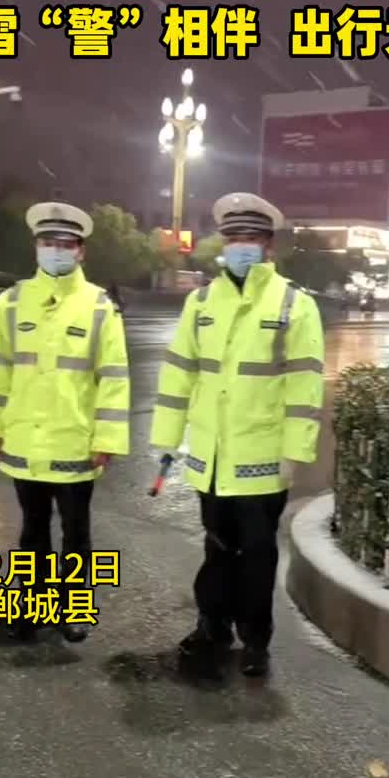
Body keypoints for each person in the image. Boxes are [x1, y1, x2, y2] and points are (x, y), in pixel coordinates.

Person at [150, 192, 325, 677]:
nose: (240, 247)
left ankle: (255, 640)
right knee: (216, 549)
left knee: (257, 556)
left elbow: (305, 385)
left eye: (250, 238)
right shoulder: (202, 302)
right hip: (210, 457)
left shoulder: (294, 305)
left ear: (269, 246)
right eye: (233, 238)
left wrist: (295, 452)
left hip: (262, 459)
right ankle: (212, 626)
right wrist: (166, 439)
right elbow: (179, 373)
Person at [0, 200, 130, 642]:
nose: (56, 250)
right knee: (32, 531)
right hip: (24, 439)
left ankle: (73, 608)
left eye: (65, 244)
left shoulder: (98, 306)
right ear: (36, 246)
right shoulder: (11, 302)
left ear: (81, 251)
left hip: (75, 440)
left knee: (76, 533)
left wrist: (107, 438)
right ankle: (33, 606)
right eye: (48, 242)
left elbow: (113, 378)